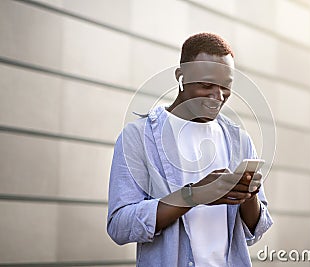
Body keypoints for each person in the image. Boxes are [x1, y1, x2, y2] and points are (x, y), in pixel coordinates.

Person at [107, 32, 273, 267]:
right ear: (181, 77)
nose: (218, 97)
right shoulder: (138, 137)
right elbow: (119, 226)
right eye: (207, 85)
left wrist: (248, 194)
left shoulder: (239, 140)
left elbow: (256, 230)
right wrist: (192, 195)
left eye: (226, 87)